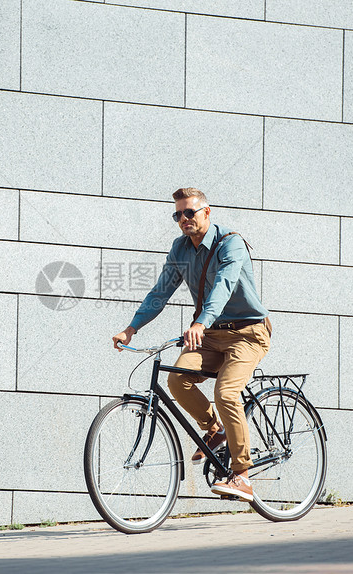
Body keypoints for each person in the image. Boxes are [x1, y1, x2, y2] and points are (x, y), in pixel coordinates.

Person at [112, 187, 271, 502]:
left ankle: (242, 475)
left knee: (225, 393)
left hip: (247, 333)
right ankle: (216, 430)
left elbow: (224, 287)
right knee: (177, 379)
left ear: (207, 212)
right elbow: (160, 292)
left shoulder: (231, 244)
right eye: (177, 214)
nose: (183, 219)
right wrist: (131, 329)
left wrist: (200, 322)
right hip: (211, 335)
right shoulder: (180, 250)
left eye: (190, 212)